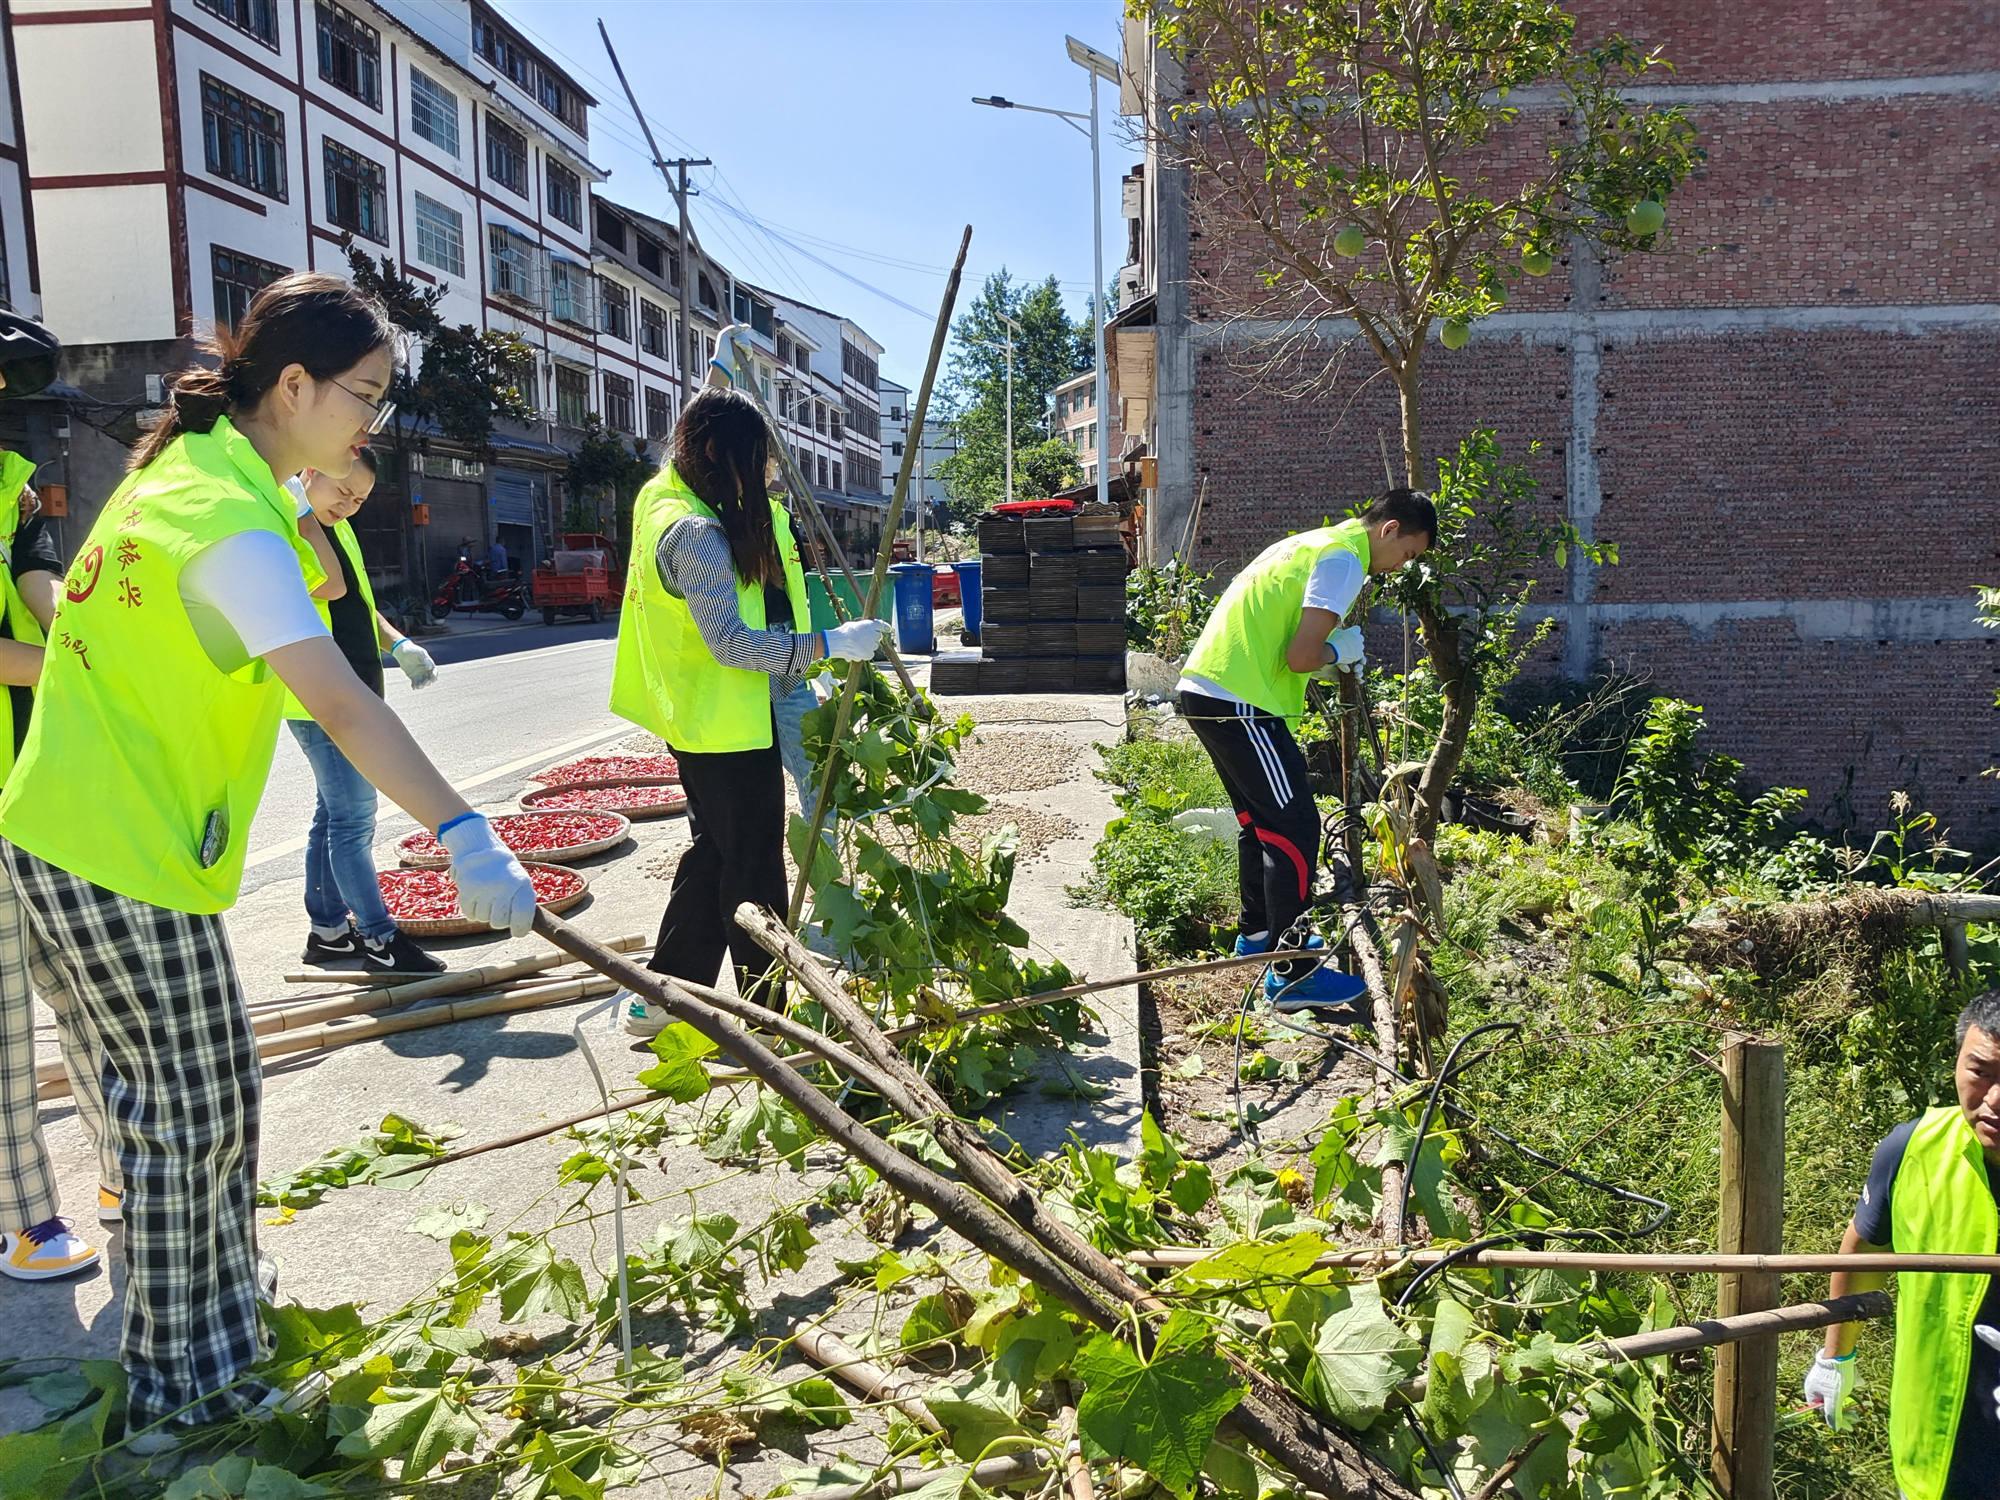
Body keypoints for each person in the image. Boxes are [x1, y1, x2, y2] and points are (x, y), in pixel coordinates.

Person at [0, 272, 536, 1445]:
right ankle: (185, 1395)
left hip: (66, 831)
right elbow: (340, 706)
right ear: (291, 385)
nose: (369, 425)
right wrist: (460, 828)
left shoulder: (192, 476)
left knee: (174, 1110)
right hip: (115, 848)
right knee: (193, 1115)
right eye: (364, 396)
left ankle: (206, 1331)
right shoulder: (228, 520)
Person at [609, 384, 887, 1035]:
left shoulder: (664, 492)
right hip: (726, 724)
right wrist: (829, 646)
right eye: (756, 462)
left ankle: (666, 993)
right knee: (754, 867)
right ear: (717, 454)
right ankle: (768, 1014)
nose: (763, 477)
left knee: (715, 853)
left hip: (702, 718)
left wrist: (723, 373)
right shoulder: (695, 532)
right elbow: (732, 642)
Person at [1176, 489, 1435, 1010]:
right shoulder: (1343, 561)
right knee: (1294, 827)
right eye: (1407, 554)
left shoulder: (1312, 543)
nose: (1399, 568)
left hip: (1210, 688)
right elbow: (1301, 657)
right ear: (1389, 530)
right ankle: (1292, 973)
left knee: (1260, 823)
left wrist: (1328, 652)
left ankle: (1256, 937)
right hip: (1241, 701)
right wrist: (1339, 649)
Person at [0, 359, 122, 1281]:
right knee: (6, 1021)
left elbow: (38, 585)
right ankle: (24, 1219)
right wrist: (84, 672)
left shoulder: (11, 484)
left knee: (84, 994)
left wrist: (79, 642)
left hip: (39, 788)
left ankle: (122, 1171)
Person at [1803, 987, 2000, 1500]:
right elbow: (1866, 1250)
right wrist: (1835, 1358)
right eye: (1981, 1072)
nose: (1995, 1099)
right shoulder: (1913, 1149)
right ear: (1955, 1062)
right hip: (1946, 1432)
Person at [285, 452, 445, 976]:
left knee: (332, 816)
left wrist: (398, 644)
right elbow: (326, 585)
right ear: (308, 471)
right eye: (342, 491)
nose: (349, 505)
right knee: (353, 820)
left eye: (360, 500)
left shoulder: (335, 525)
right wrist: (302, 510)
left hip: (353, 691)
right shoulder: (290, 522)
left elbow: (356, 599)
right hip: (323, 696)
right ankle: (379, 937)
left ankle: (328, 932)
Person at [703, 321, 823, 817]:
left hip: (788, 660)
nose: (766, 468)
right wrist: (720, 370)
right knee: (747, 801)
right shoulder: (712, 505)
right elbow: (704, 427)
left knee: (818, 774)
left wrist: (813, 657)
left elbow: (793, 591)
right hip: (742, 659)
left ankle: (826, 870)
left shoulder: (776, 514)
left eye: (768, 461)